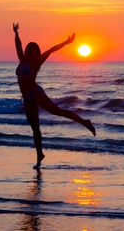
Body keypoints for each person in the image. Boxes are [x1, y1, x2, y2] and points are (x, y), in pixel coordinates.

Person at [13, 23, 96, 169]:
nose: (28, 52)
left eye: (31, 51)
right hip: (27, 99)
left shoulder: (36, 62)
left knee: (57, 111)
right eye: (28, 50)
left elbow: (51, 50)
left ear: (36, 53)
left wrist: (67, 42)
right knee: (35, 129)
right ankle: (39, 156)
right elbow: (18, 46)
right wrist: (16, 33)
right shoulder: (22, 60)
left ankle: (85, 122)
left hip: (36, 94)